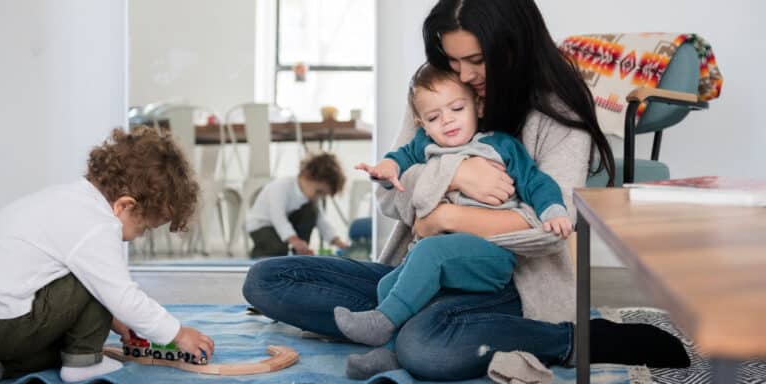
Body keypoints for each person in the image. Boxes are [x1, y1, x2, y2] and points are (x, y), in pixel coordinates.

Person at [242, 0, 690, 380]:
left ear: (514, 46)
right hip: (418, 272)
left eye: (476, 61)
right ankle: (402, 319)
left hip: (507, 281)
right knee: (267, 280)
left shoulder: (558, 109)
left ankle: (566, 339)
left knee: (426, 351)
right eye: (452, 60)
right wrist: (455, 176)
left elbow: (548, 226)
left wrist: (445, 218)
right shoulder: (434, 90)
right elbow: (387, 194)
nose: (464, 75)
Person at [334, 63, 573, 347]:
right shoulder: (425, 145)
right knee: (387, 284)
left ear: (478, 107)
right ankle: (390, 350)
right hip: (444, 253)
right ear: (421, 124)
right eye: (434, 117)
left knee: (430, 253)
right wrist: (386, 170)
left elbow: (536, 182)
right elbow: (399, 158)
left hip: (492, 256)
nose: (447, 121)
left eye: (457, 109)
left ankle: (380, 324)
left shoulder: (501, 146)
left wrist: (554, 211)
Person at [0, 127, 215, 382]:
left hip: (8, 321)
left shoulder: (70, 199)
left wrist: (110, 318)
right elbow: (122, 296)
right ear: (124, 205)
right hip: (8, 326)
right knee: (98, 281)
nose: (138, 236)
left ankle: (6, 365)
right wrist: (177, 334)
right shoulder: (97, 224)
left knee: (61, 336)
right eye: (143, 227)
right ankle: (83, 364)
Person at [245, 152, 349, 257]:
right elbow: (278, 218)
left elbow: (322, 222)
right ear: (306, 176)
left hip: (285, 224)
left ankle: (300, 253)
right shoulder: (281, 187)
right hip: (262, 225)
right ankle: (258, 254)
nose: (317, 197)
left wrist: (338, 243)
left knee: (312, 212)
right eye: (318, 192)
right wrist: (295, 241)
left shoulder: (310, 200)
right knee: (278, 249)